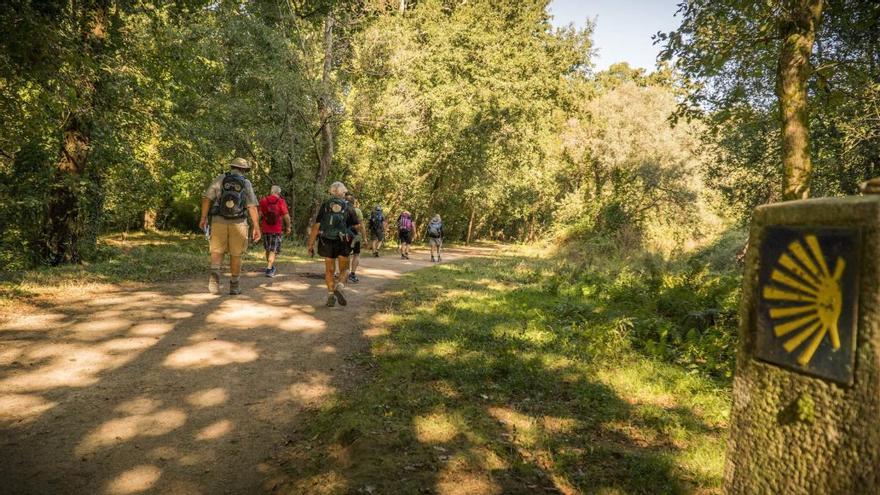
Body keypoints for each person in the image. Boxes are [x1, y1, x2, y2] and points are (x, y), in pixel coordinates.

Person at [199, 157, 261, 295]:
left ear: (231, 167)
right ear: (244, 170)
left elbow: (206, 198)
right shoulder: (246, 183)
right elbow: (252, 206)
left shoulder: (221, 178)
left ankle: (214, 283)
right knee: (236, 254)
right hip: (239, 223)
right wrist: (257, 227)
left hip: (218, 220)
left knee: (217, 252)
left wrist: (203, 218)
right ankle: (234, 285)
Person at [307, 182, 366, 307]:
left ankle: (330, 295)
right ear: (343, 193)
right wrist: (361, 234)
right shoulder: (348, 206)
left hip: (326, 240)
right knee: (345, 269)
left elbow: (316, 226)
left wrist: (310, 244)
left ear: (331, 192)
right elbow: (357, 225)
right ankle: (339, 286)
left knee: (329, 270)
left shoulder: (325, 206)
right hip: (343, 241)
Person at [258, 185, 291, 277]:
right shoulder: (281, 201)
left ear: (271, 192)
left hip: (265, 229)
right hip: (276, 230)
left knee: (268, 249)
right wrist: (288, 227)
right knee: (273, 249)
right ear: (279, 193)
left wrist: (256, 226)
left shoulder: (263, 200)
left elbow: (259, 215)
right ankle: (269, 269)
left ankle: (269, 266)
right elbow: (286, 216)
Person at [344, 192, 364, 283]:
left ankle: (344, 273)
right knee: (356, 254)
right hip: (355, 235)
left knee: (346, 254)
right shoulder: (357, 211)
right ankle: (352, 274)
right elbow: (361, 225)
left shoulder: (340, 209)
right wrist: (365, 237)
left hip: (343, 235)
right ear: (353, 201)